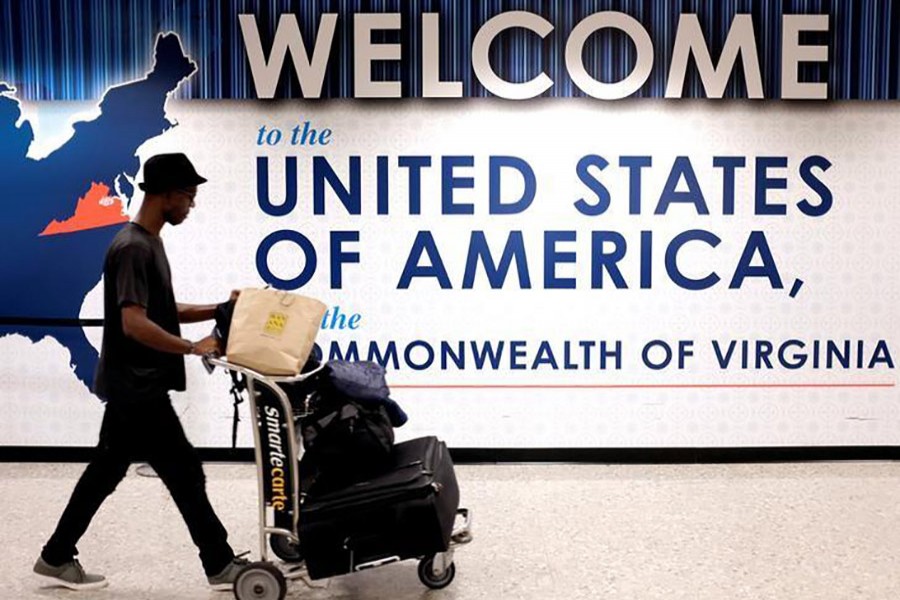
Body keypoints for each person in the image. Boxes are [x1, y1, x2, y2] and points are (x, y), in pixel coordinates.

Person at [33, 153, 246, 591]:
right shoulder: (132, 247)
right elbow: (133, 323)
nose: (192, 204)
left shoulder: (148, 242)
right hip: (138, 389)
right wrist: (192, 347)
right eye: (188, 195)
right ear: (166, 193)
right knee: (185, 472)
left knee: (107, 471)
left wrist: (218, 309)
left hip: (135, 387)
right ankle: (219, 564)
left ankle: (56, 556)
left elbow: (163, 311)